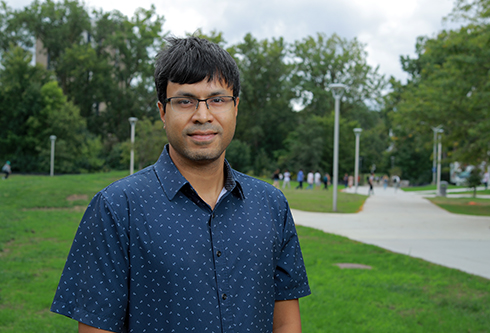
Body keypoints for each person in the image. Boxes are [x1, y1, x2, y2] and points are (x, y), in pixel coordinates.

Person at [50, 37, 310, 333]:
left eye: (217, 99)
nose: (202, 115)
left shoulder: (272, 205)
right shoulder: (117, 208)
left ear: (235, 107)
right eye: (185, 101)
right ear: (163, 111)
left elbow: (286, 321)